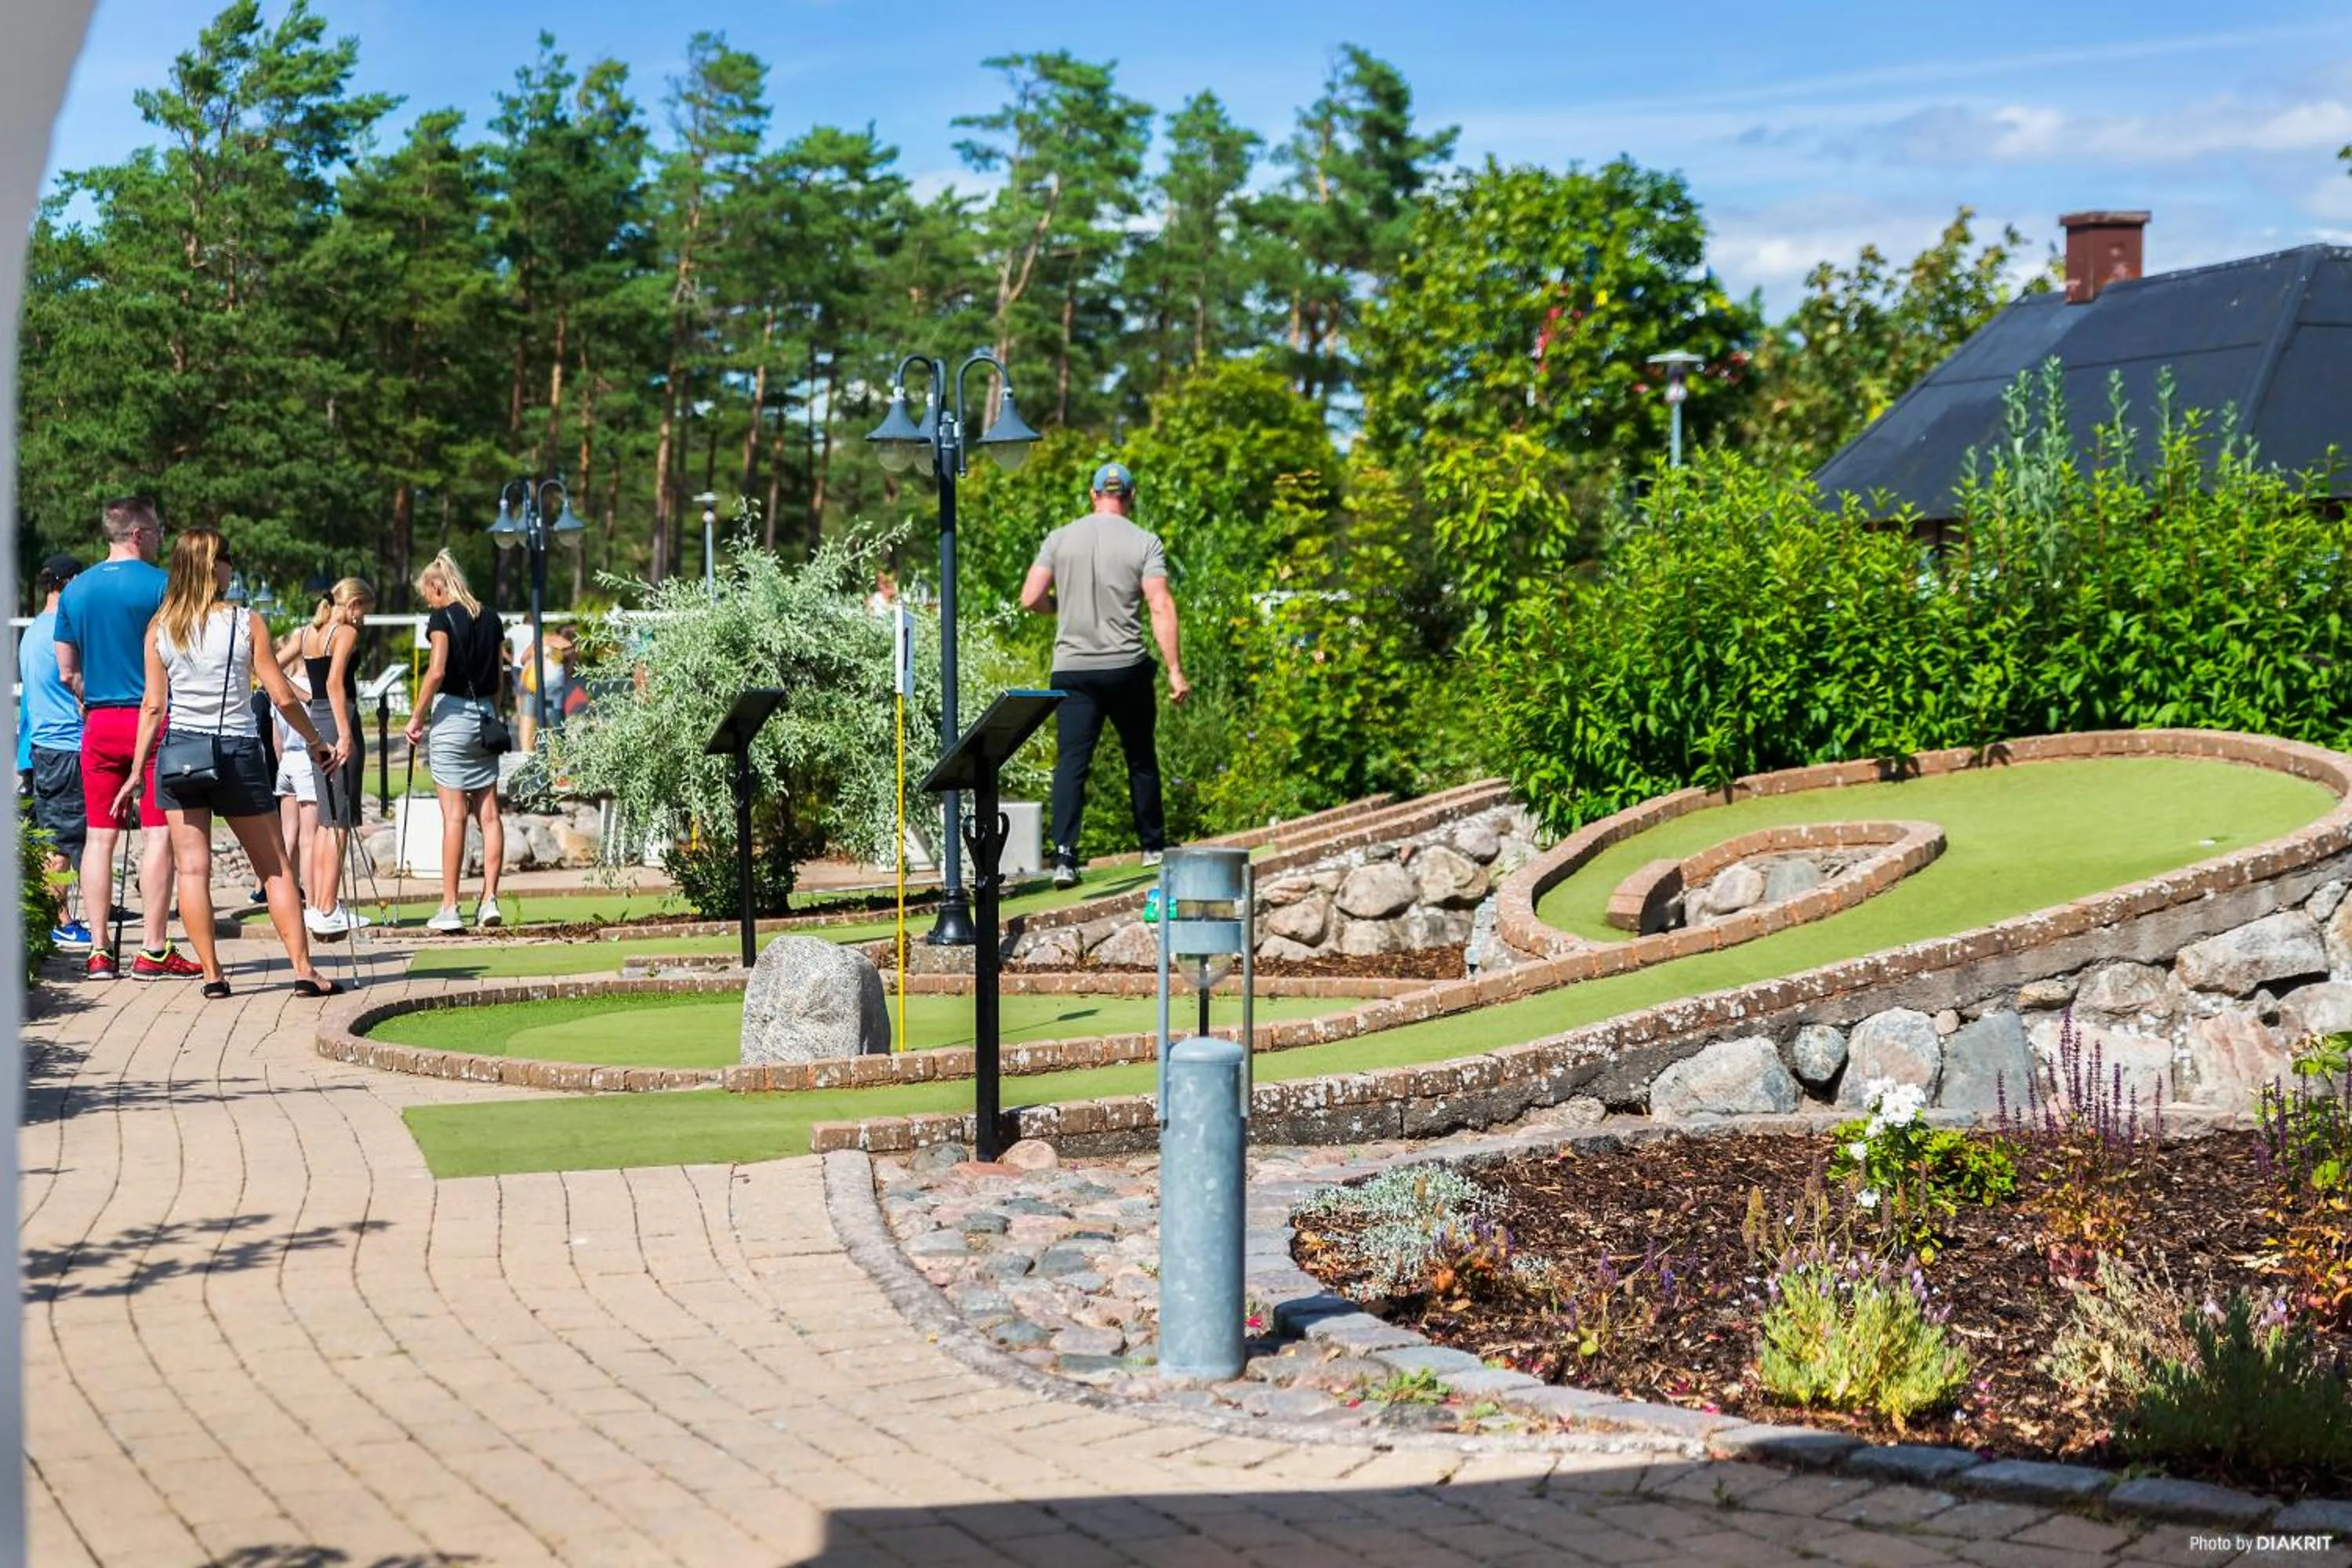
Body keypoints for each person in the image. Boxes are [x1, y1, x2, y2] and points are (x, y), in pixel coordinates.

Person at [114, 528, 343, 999]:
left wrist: (137, 771)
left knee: (194, 871)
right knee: (276, 868)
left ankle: (213, 976)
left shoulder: (160, 628)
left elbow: (153, 706)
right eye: (228, 558)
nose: (232, 567)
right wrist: (317, 740)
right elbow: (280, 694)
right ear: (211, 567)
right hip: (236, 751)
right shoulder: (244, 623)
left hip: (180, 756)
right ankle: (304, 970)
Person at [1020, 461, 1189, 889]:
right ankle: (1153, 847)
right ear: (1130, 497)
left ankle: (1064, 858)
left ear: (1093, 494)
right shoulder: (1145, 542)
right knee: (1140, 758)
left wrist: (1059, 608)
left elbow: (1030, 597)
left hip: (1072, 669)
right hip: (1125, 668)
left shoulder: (1060, 539)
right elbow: (1160, 606)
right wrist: (1174, 671)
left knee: (1072, 763)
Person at [53, 495, 196, 981]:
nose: (160, 539)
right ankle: (152, 949)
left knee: (99, 836)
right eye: (156, 532)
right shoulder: (162, 586)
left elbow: (66, 670)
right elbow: (185, 655)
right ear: (137, 534)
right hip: (151, 722)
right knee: (159, 834)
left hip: (98, 723)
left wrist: (91, 695)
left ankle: (97, 952)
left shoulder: (75, 591)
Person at [404, 551, 507, 932]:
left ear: (437, 586)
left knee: (454, 816)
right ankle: (489, 900)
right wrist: (491, 715)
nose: (429, 602)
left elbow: (436, 672)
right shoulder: (492, 618)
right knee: (490, 814)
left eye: (427, 595)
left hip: (452, 718)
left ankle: (450, 906)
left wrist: (416, 716)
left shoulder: (442, 618)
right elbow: (498, 678)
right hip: (486, 718)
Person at [19, 554, 91, 953]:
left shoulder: (33, 631)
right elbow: (77, 686)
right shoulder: (61, 632)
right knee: (62, 840)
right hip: (67, 745)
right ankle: (60, 920)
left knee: (56, 835)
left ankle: (62, 916)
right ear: (70, 583)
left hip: (44, 745)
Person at [299, 577, 376, 939]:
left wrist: (303, 700)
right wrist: (345, 733)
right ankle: (328, 907)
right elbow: (334, 684)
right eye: (365, 610)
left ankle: (318, 906)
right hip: (339, 717)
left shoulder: (308, 633)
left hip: (316, 717)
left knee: (325, 820)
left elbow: (266, 671)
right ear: (354, 603)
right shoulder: (344, 633)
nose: (365, 619)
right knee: (340, 820)